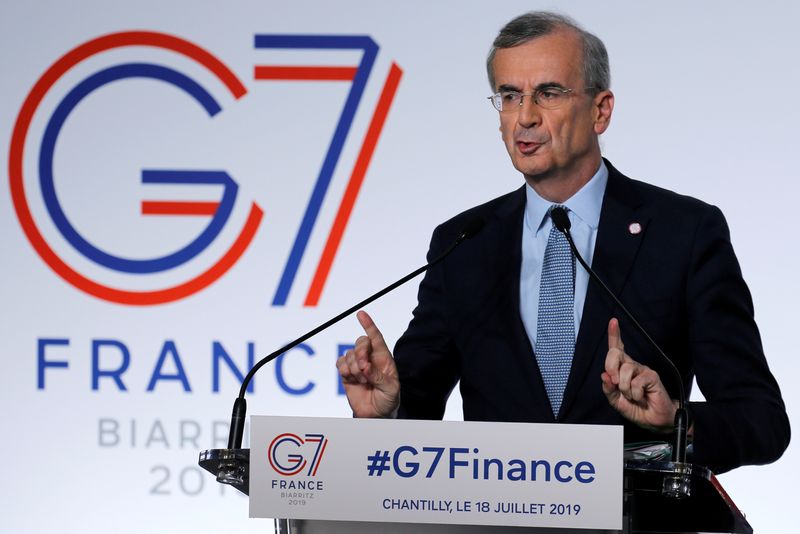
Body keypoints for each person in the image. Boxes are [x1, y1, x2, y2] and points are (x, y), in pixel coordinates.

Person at [335, 11, 789, 473]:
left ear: (601, 110)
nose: (525, 118)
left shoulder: (684, 233)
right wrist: (384, 413)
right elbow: (414, 407)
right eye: (510, 96)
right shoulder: (464, 244)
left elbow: (761, 420)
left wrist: (677, 423)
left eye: (548, 93)